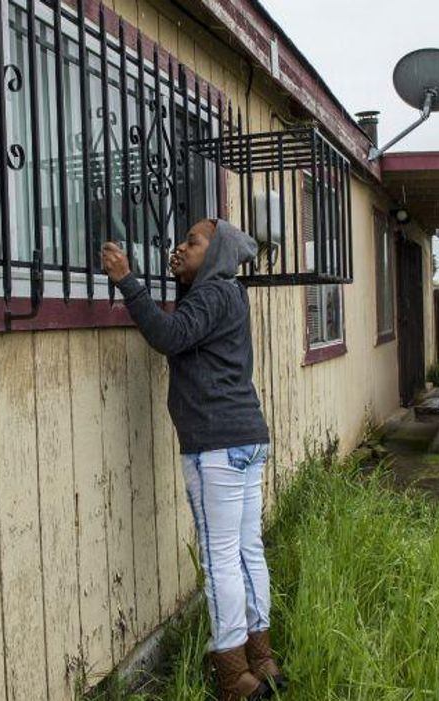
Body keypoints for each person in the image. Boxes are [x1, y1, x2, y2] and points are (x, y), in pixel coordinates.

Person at [101, 219, 286, 701]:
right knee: (248, 552)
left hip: (215, 444)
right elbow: (189, 334)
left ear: (218, 252)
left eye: (193, 242)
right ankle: (262, 657)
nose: (180, 248)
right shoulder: (228, 295)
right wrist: (176, 278)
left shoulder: (212, 296)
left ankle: (233, 676)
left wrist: (127, 280)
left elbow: (168, 334)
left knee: (220, 556)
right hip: (247, 436)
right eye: (180, 241)